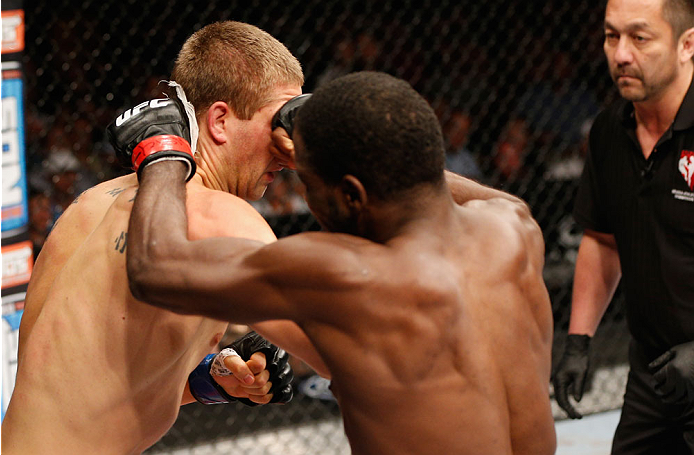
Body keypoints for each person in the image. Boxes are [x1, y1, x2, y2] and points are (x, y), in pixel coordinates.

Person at [123, 71, 557, 455]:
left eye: (308, 181)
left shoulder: (350, 277)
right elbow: (481, 193)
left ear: (352, 195)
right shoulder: (513, 228)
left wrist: (162, 153)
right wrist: (345, 152)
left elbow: (154, 268)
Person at [0, 21, 326, 454]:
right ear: (221, 121)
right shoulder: (222, 217)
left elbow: (81, 385)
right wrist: (335, 156)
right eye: (280, 122)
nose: (287, 147)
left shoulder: (93, 201)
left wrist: (207, 381)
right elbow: (343, 350)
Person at [552, 0, 694, 452]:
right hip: (654, 375)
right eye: (612, 36)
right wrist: (578, 340)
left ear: (687, 45)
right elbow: (603, 239)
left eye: (640, 37)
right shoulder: (610, 132)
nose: (621, 54)